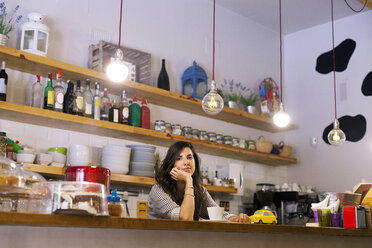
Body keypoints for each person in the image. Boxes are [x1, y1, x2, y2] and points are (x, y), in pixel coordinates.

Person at [149, 141, 251, 223]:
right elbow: (185, 218)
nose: (186, 162)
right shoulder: (158, 190)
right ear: (171, 164)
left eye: (189, 157)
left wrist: (236, 219)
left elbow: (217, 213)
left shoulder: (200, 191)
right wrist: (189, 180)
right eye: (179, 158)